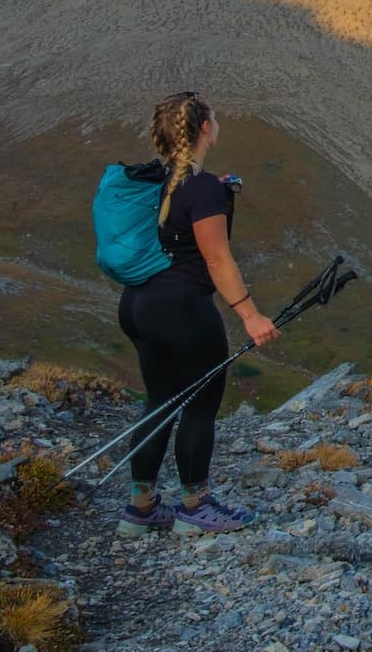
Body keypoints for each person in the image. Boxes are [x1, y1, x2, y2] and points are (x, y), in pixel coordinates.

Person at [114, 91, 278, 536]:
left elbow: (176, 227)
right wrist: (250, 315)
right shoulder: (202, 188)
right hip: (183, 309)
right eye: (215, 117)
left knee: (160, 400)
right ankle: (195, 507)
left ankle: (141, 507)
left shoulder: (158, 182)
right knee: (200, 405)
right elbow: (217, 259)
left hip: (138, 304)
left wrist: (216, 193)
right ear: (204, 128)